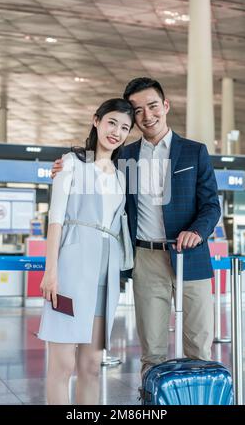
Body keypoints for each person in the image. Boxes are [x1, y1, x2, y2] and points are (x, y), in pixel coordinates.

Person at [51, 77, 221, 379]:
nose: (147, 115)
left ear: (165, 106)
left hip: (190, 257)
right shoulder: (124, 156)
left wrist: (197, 230)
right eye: (137, 111)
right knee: (151, 351)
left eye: (153, 106)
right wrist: (65, 167)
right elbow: (94, 168)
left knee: (199, 347)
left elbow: (211, 204)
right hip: (146, 259)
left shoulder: (195, 152)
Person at [38, 98, 135, 405]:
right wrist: (50, 272)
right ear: (96, 121)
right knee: (63, 364)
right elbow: (56, 220)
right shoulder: (71, 164)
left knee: (91, 366)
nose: (116, 132)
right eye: (111, 123)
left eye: (124, 127)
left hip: (105, 276)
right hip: (70, 271)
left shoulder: (121, 177)